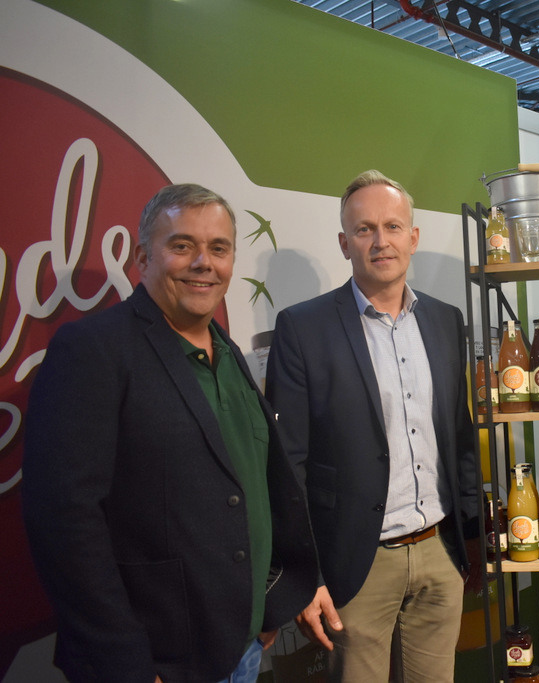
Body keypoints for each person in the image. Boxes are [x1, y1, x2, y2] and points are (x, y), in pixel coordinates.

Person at [21, 184, 319, 683]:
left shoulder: (228, 352)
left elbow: (252, 488)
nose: (204, 263)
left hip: (242, 650)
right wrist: (128, 666)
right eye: (182, 246)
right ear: (143, 258)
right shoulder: (93, 349)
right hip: (157, 663)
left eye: (219, 248)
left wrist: (270, 603)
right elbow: (64, 524)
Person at [265, 170, 479, 682]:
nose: (381, 241)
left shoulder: (446, 321)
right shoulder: (303, 327)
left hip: (440, 552)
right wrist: (305, 574)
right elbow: (287, 464)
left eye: (392, 226)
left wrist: (471, 540)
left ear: (413, 237)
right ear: (345, 243)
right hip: (355, 566)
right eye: (364, 230)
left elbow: (460, 438)